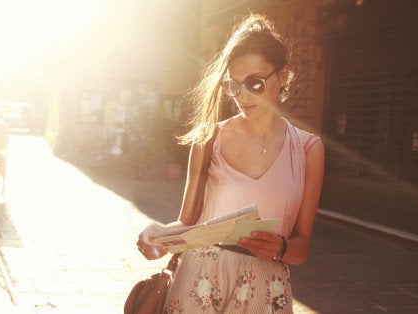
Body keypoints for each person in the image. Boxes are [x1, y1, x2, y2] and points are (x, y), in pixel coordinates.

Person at [136, 14, 324, 313]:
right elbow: (186, 223)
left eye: (255, 83)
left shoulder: (308, 149)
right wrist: (156, 233)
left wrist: (282, 248)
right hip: (198, 282)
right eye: (233, 85)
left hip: (265, 287)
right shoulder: (209, 137)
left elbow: (301, 248)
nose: (243, 96)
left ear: (284, 75)